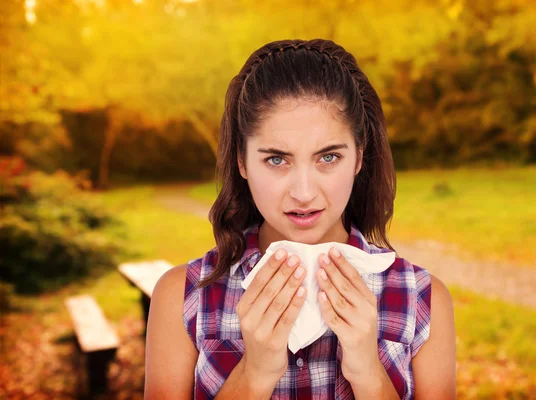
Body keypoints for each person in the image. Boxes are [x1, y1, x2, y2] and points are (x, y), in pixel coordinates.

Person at [144, 39, 456, 400]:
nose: (304, 193)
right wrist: (255, 372)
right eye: (277, 160)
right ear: (242, 162)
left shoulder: (423, 299)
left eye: (328, 158)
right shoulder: (183, 297)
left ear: (358, 157)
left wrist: (368, 373)